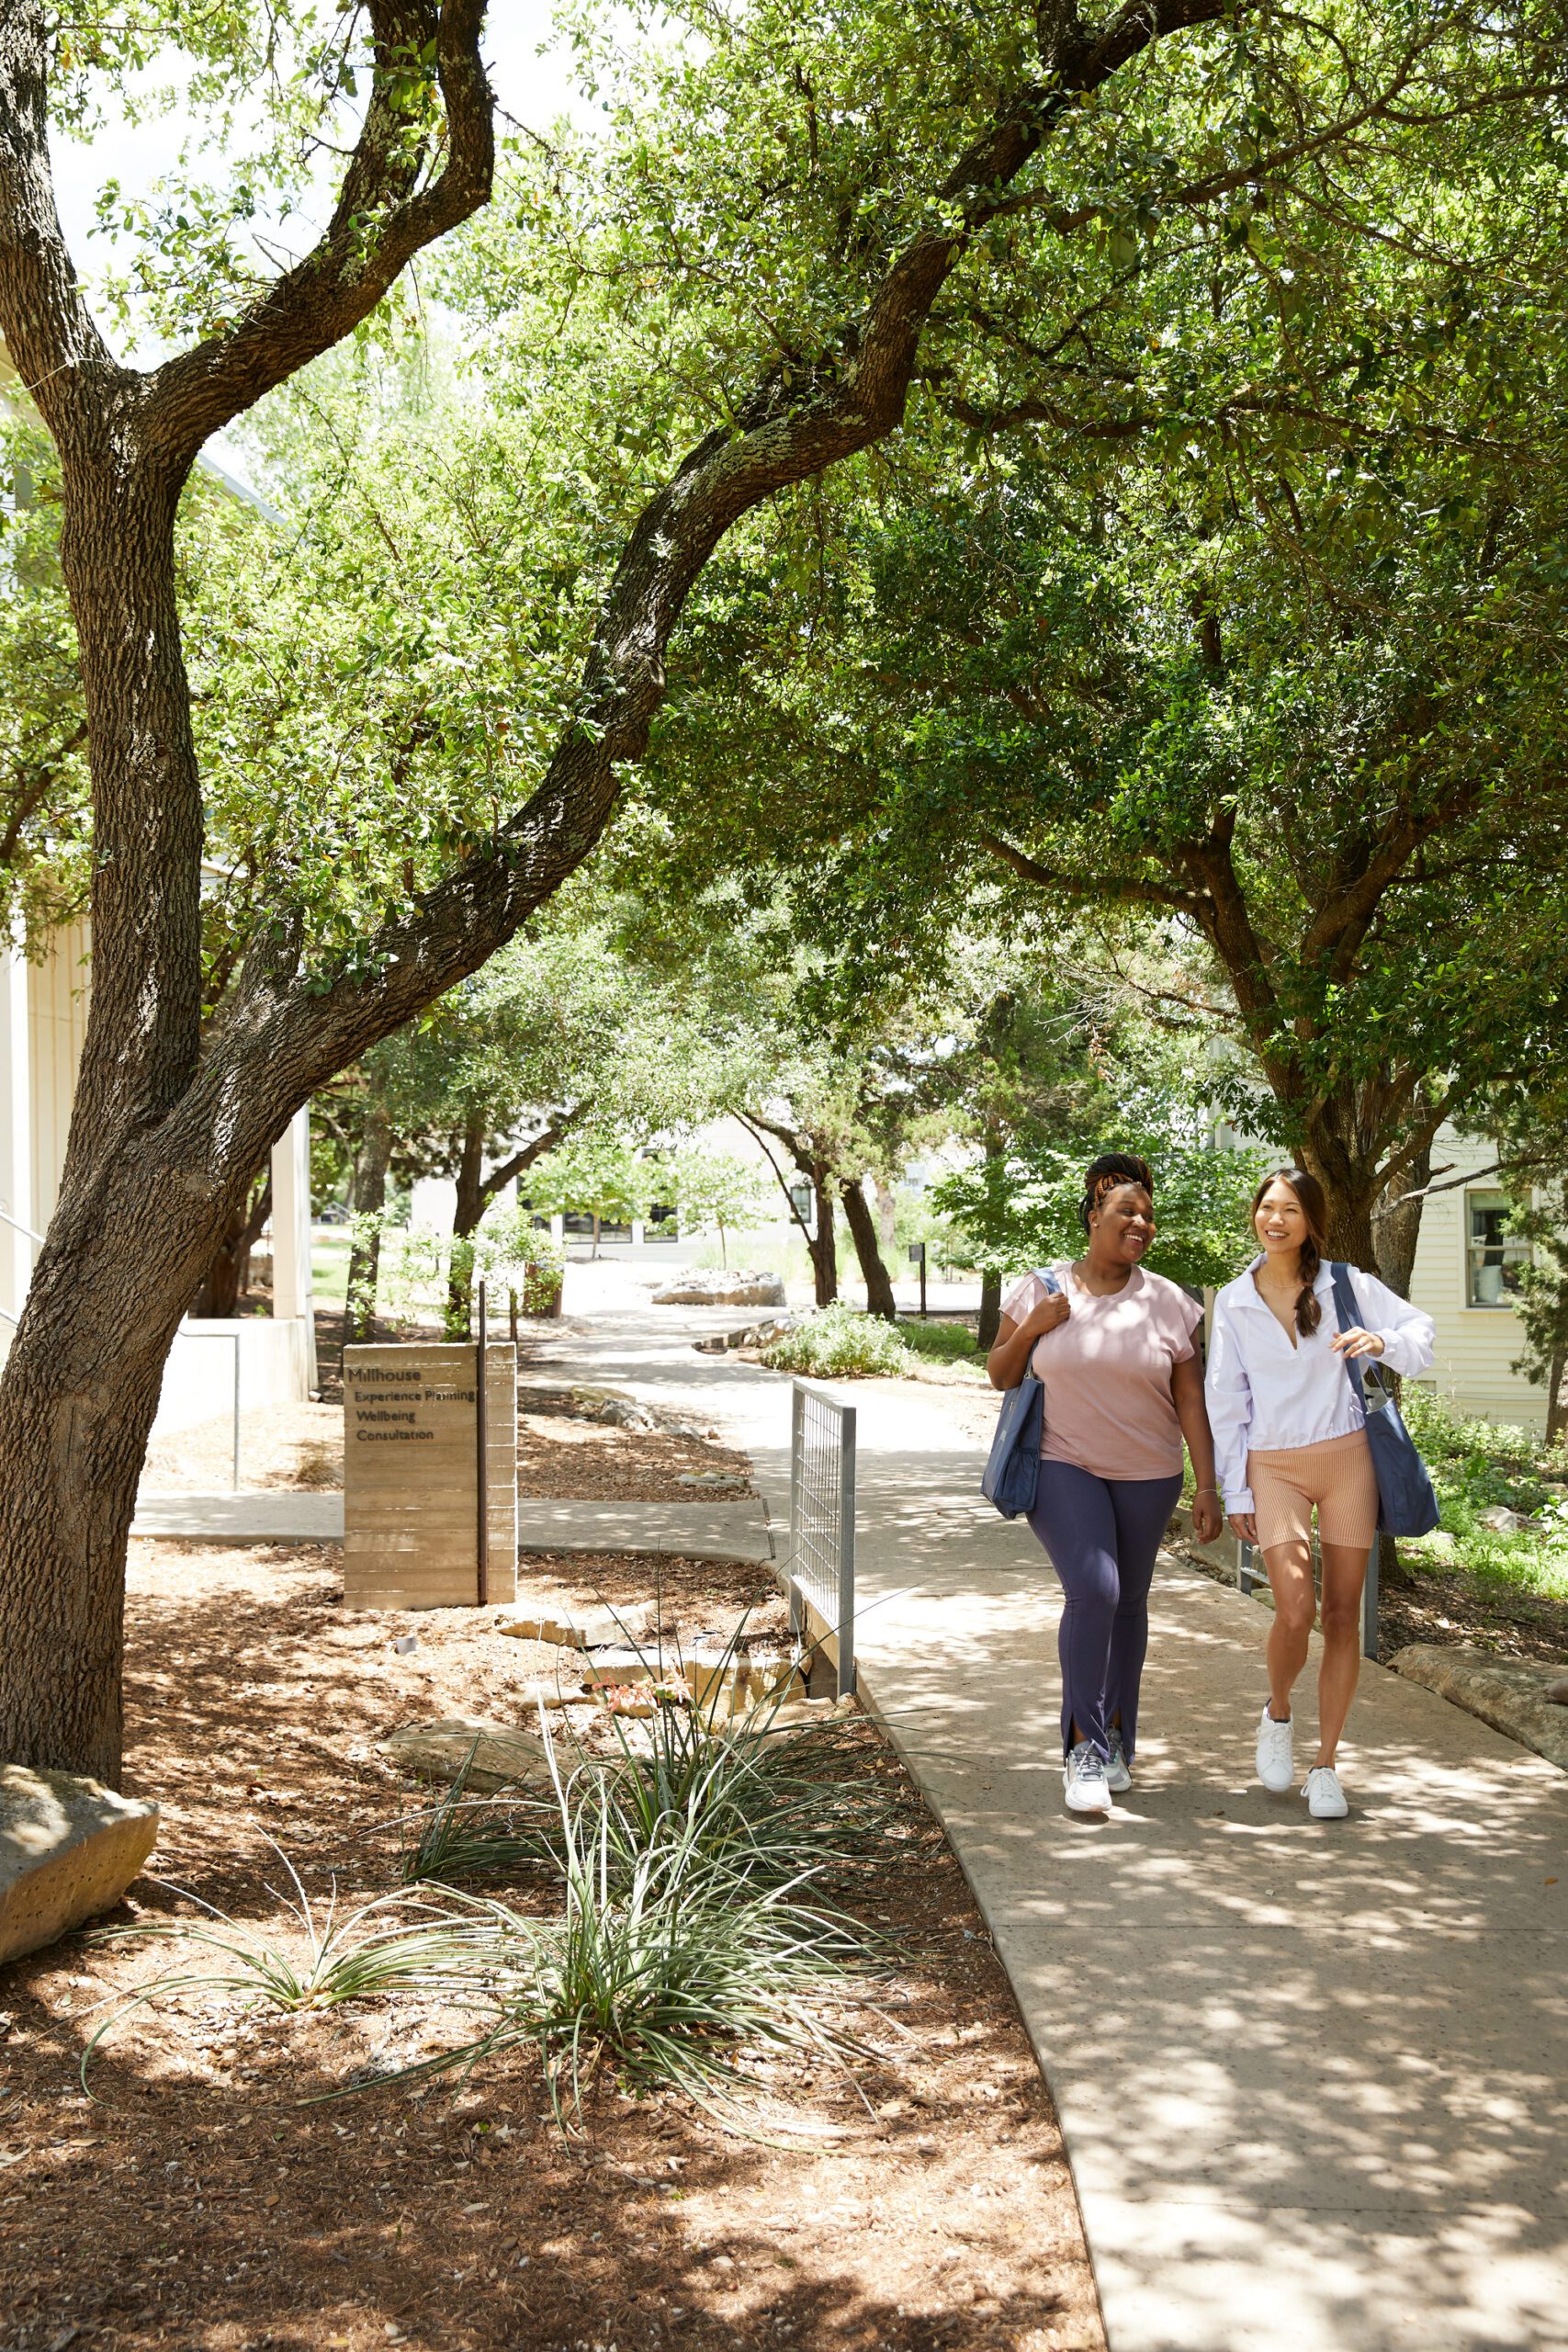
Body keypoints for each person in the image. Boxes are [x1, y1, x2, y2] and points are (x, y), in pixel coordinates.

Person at [987, 1152, 1223, 1816]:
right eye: (1126, 1210)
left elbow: (1191, 1400)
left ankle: (1118, 1739)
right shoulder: (1041, 1289)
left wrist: (1207, 1486)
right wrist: (1032, 1329)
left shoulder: (1171, 1302)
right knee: (1095, 1590)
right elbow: (1000, 1374)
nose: (1140, 1222)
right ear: (1093, 1216)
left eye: (1148, 1214)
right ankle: (1082, 1747)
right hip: (1064, 1463)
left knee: (1129, 1605)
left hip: (1150, 1473)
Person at [1205, 1168, 1436, 1820]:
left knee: (1340, 1617)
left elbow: (1420, 1332)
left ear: (1310, 1222)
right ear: (1255, 1215)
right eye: (1266, 1207)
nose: (1275, 1220)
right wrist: (1235, 1492)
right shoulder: (1236, 1301)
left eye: (1290, 1210)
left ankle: (1326, 1765)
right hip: (1272, 1467)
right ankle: (1277, 1712)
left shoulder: (1346, 1284)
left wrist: (1382, 1340)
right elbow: (1226, 1402)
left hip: (1348, 1460)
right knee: (1294, 1610)